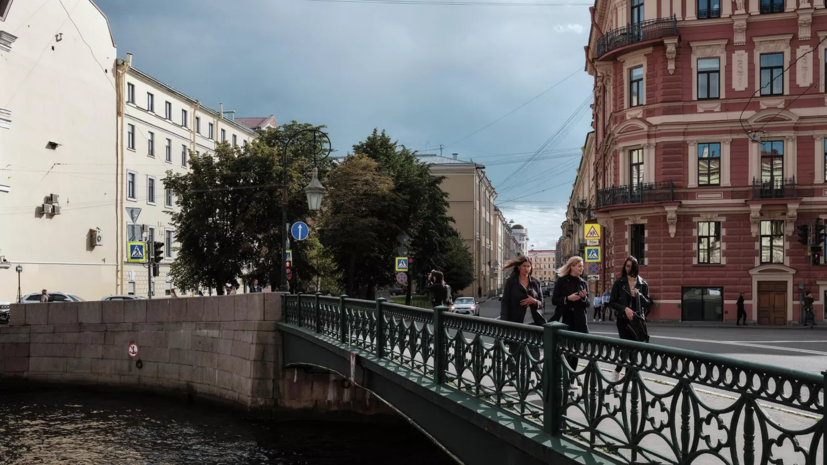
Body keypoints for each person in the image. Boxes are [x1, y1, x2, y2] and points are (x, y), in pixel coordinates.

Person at [609, 256, 651, 380]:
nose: (629, 269)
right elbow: (612, 302)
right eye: (627, 266)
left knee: (632, 349)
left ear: (636, 268)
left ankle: (621, 372)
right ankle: (626, 377)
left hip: (637, 321)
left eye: (631, 266)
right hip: (623, 320)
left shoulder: (643, 283)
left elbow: (648, 304)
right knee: (628, 347)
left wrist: (639, 294)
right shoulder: (619, 282)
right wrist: (625, 309)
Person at [551, 256, 590, 372]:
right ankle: (562, 376)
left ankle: (571, 378)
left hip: (579, 320)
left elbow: (587, 304)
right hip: (565, 319)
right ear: (572, 266)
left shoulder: (583, 283)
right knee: (565, 349)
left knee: (575, 351)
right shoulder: (562, 281)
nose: (582, 268)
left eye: (582, 266)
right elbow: (554, 300)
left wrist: (583, 298)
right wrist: (568, 298)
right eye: (579, 266)